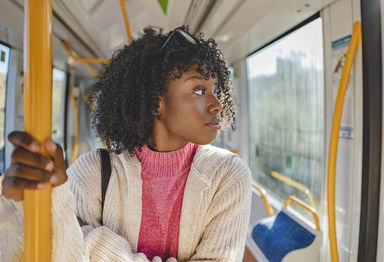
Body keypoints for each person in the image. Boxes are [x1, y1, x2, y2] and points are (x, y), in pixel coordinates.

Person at [0, 25, 251, 262]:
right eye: (199, 90)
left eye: (216, 89)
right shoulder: (93, 171)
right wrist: (24, 209)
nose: (217, 104)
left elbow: (74, 244)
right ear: (156, 101)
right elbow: (57, 253)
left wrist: (87, 238)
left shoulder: (228, 175)